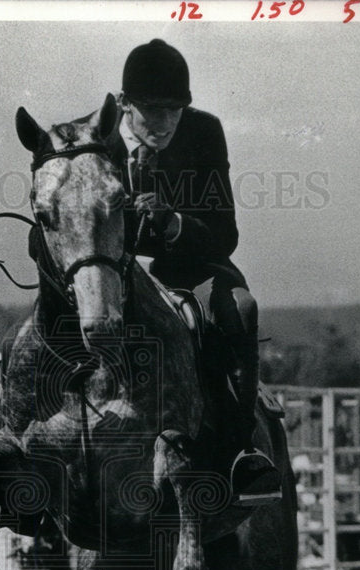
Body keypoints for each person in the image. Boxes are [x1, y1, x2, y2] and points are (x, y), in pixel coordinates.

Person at [102, 39, 281, 506]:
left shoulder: (204, 132)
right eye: (151, 110)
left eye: (174, 111)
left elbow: (226, 232)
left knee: (241, 308)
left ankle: (242, 451)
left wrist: (175, 221)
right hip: (110, 273)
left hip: (185, 269)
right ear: (123, 104)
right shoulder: (98, 138)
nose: (163, 123)